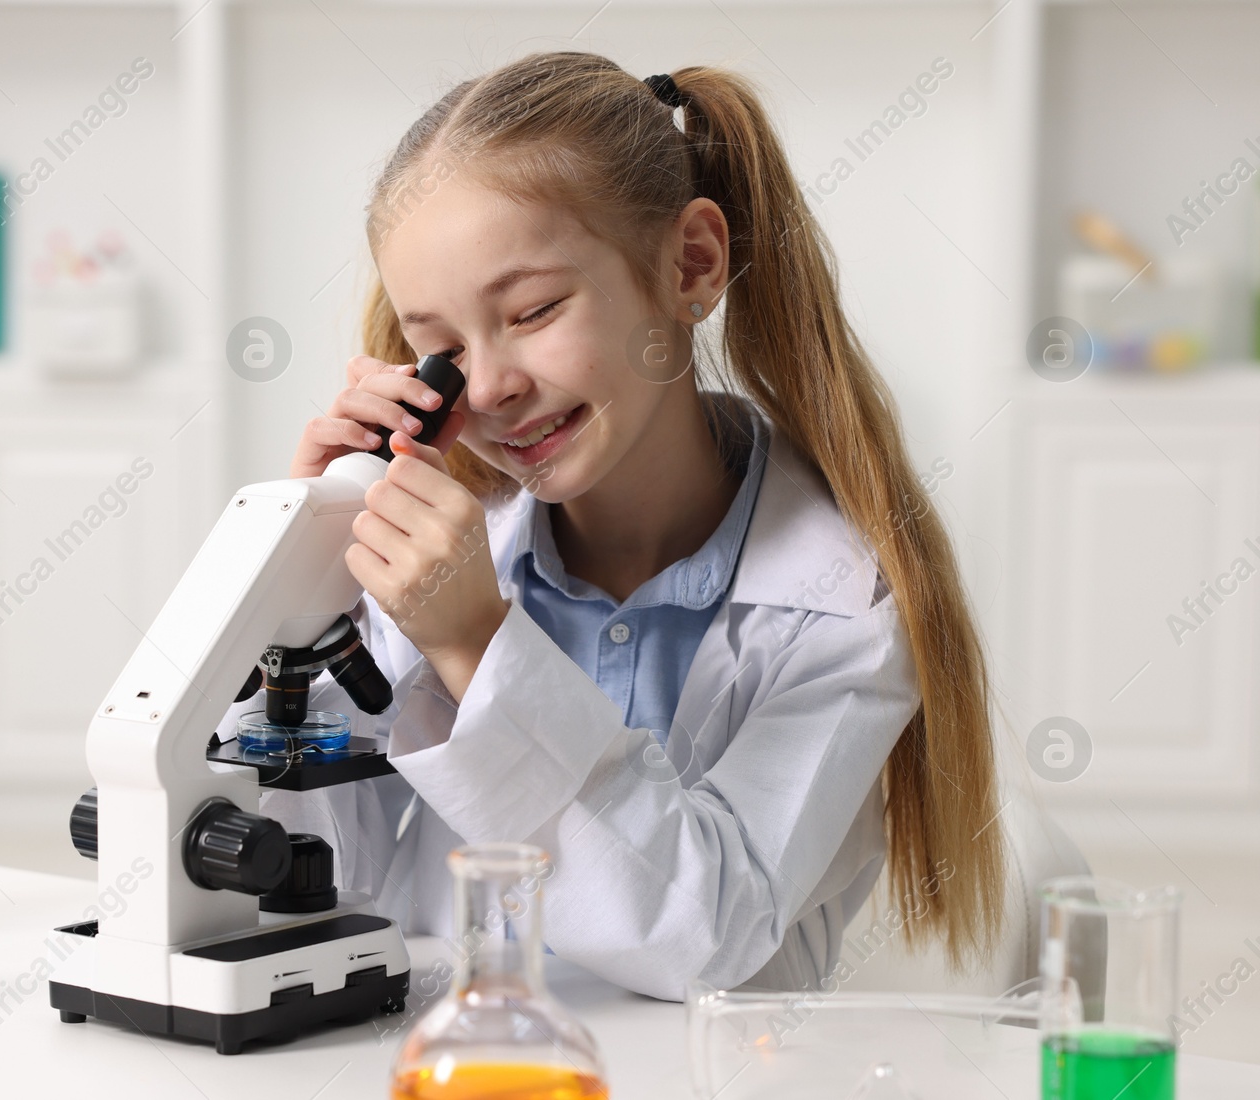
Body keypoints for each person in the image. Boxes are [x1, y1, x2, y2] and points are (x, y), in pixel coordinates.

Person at [214, 51, 1005, 999]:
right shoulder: (417, 575)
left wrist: (477, 644)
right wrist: (300, 587)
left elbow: (705, 933)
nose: (494, 383)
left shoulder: (844, 605)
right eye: (443, 347)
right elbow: (295, 878)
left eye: (536, 309)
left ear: (692, 266)